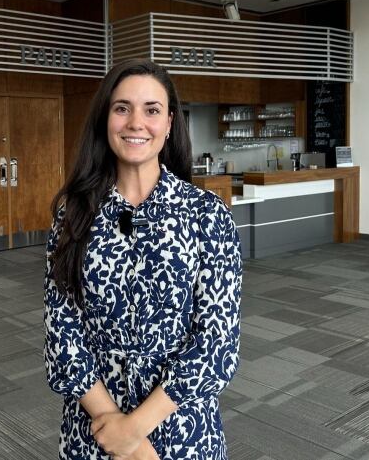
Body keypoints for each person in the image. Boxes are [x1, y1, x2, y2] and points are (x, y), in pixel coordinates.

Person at [43, 58, 243, 459]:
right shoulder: (75, 214)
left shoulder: (206, 214)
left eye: (151, 110)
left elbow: (217, 343)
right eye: (122, 108)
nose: (136, 122)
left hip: (182, 430)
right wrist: (116, 432)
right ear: (106, 119)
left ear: (169, 123)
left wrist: (134, 434)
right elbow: (61, 334)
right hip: (94, 430)